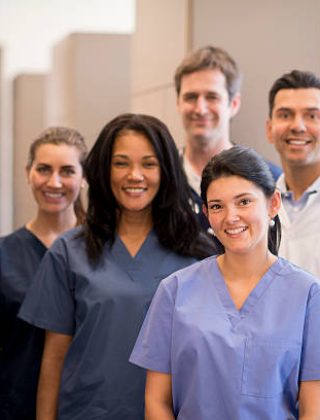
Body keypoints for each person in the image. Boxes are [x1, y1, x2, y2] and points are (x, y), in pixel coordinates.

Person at [18, 113, 214, 420]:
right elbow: (53, 359)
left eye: (148, 164)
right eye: (121, 163)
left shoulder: (198, 255)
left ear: (165, 171)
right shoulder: (69, 252)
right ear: (103, 170)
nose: (134, 175)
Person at [130, 145, 320, 419]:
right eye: (218, 206)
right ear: (207, 214)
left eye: (244, 201)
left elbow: (313, 410)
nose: (231, 217)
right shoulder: (175, 291)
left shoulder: (308, 295)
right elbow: (157, 402)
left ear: (273, 204)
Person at [0, 126, 87, 420]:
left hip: (89, 407)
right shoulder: (4, 255)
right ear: (28, 173)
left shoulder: (104, 253)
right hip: (15, 407)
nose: (54, 181)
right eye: (44, 169)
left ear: (84, 177)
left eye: (67, 171)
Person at [175, 45, 282, 231]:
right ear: (178, 103)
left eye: (212, 97)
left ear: (233, 104)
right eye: (191, 97)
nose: (200, 109)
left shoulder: (270, 180)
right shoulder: (160, 179)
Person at [266, 69, 320, 278]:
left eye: (312, 115)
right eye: (285, 115)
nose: (298, 126)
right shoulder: (256, 206)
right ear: (269, 129)